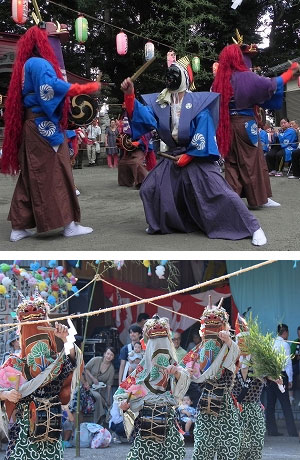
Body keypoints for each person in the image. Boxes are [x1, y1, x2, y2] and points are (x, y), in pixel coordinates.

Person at [121, 56, 267, 246]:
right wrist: (130, 95)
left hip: (197, 156)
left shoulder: (198, 103)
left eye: (175, 73)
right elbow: (145, 118)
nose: (170, 78)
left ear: (184, 79)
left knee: (218, 192)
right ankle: (167, 223)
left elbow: (203, 131)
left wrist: (190, 155)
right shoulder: (162, 102)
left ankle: (253, 227)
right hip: (172, 156)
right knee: (150, 188)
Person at [1, 24, 100, 242]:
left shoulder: (26, 65)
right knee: (58, 173)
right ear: (43, 44)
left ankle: (19, 226)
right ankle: (68, 224)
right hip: (44, 127)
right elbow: (50, 88)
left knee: (29, 175)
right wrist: (80, 89)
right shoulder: (39, 63)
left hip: (32, 126)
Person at [212, 44, 300, 208]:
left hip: (226, 127)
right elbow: (272, 84)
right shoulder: (245, 76)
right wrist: (290, 72)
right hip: (245, 125)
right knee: (252, 162)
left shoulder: (219, 80)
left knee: (231, 163)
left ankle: (232, 200)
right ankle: (258, 200)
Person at [0, 289, 82, 460]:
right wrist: (6, 394)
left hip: (50, 434)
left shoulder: (56, 362)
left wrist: (66, 339)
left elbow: (73, 363)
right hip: (23, 434)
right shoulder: (14, 364)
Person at [114, 315, 190, 460]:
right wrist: (124, 405)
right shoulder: (141, 369)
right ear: (148, 344)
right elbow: (122, 393)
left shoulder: (174, 365)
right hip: (146, 420)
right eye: (154, 342)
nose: (158, 345)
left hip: (167, 418)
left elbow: (183, 382)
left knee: (175, 454)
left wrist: (178, 374)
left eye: (162, 341)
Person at [180, 297, 241, 460]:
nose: (212, 330)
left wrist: (228, 340)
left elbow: (235, 356)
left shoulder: (229, 345)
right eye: (209, 326)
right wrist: (188, 371)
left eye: (216, 326)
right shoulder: (199, 350)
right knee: (202, 449)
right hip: (205, 402)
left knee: (230, 448)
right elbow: (183, 370)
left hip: (225, 404)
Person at [232, 314, 283, 460]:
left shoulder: (258, 362)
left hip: (254, 406)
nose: (243, 344)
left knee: (257, 441)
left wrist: (277, 378)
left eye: (246, 341)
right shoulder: (232, 361)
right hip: (237, 408)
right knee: (240, 444)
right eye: (241, 341)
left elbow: (269, 375)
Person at [265, 324, 298, 437]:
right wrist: (290, 379)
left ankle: (271, 430)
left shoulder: (270, 343)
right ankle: (292, 432)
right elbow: (288, 363)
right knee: (286, 405)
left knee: (270, 405)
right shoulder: (285, 345)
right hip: (281, 376)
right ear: (285, 332)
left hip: (270, 376)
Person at [83, 347, 116, 423]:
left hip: (99, 390)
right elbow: (85, 368)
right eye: (108, 354)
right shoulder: (96, 360)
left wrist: (108, 398)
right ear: (104, 354)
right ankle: (101, 416)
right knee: (98, 397)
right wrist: (92, 378)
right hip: (87, 386)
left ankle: (100, 419)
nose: (109, 356)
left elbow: (109, 385)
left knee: (104, 401)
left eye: (111, 355)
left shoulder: (111, 369)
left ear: (113, 357)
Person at [290, 326, 300, 390]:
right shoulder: (295, 342)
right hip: (296, 365)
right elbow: (291, 355)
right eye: (298, 335)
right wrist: (296, 357)